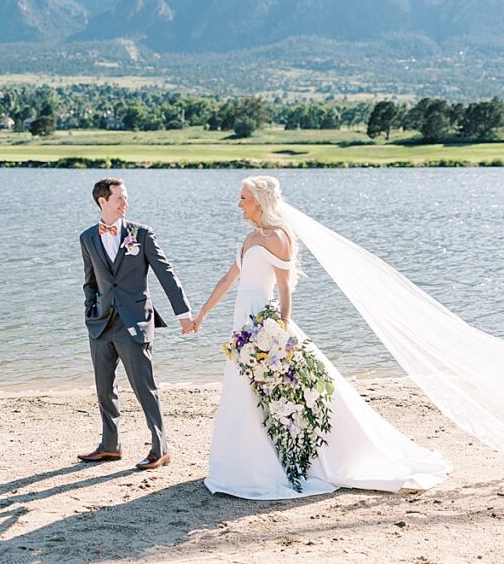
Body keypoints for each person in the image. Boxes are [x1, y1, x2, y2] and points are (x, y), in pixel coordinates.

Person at [192, 176, 451, 499]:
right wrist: (202, 314)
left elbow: (285, 287)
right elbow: (229, 278)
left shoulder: (278, 237)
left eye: (243, 197)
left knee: (280, 392)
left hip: (265, 325)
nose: (239, 203)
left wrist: (280, 331)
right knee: (244, 392)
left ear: (258, 200)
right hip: (242, 324)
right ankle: (246, 463)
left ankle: (296, 461)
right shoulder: (249, 238)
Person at [77, 177, 195, 471]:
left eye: (126, 198)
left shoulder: (141, 235)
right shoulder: (88, 237)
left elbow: (166, 273)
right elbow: (90, 281)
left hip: (134, 323)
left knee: (144, 387)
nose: (125, 203)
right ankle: (110, 446)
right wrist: (90, 310)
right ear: (102, 201)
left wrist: (183, 313)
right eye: (119, 198)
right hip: (101, 324)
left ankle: (160, 448)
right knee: (104, 389)